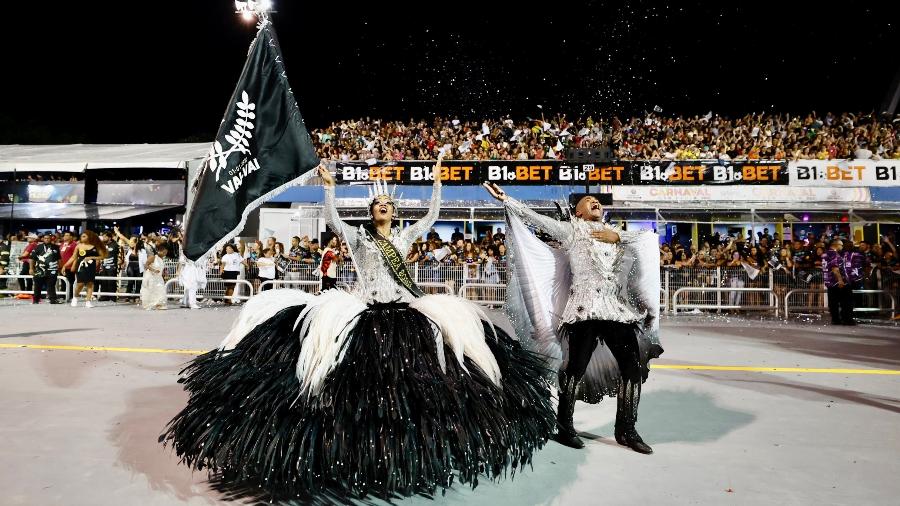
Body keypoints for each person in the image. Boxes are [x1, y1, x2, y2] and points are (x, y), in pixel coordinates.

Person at [161, 158, 554, 499]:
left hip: (404, 310)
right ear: (371, 211)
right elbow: (333, 219)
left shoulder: (405, 236)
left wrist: (436, 181)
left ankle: (409, 448)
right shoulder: (360, 236)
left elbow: (432, 216)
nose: (382, 205)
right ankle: (348, 450)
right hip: (362, 309)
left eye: (387, 203)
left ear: (394, 213)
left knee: (415, 380)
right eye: (377, 203)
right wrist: (330, 191)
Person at [485, 182, 662, 454]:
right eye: (588, 200)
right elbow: (534, 218)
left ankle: (626, 429)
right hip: (584, 309)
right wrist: (506, 199)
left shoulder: (615, 232)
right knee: (575, 368)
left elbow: (648, 238)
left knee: (632, 366)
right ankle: (564, 426)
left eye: (598, 201)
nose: (596, 202)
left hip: (615, 310)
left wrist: (619, 238)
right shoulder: (570, 230)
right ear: (578, 212)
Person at [64, 231, 107, 308]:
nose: (82, 238)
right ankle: (75, 297)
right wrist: (65, 265)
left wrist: (92, 257)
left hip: (91, 266)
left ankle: (88, 301)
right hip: (81, 266)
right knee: (80, 284)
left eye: (84, 236)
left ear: (89, 237)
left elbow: (102, 256)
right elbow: (73, 257)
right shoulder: (78, 246)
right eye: (81, 236)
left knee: (90, 284)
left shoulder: (95, 246)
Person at [822, 238, 850, 325]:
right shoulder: (833, 253)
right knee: (846, 302)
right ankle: (846, 320)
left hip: (829, 281)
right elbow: (835, 268)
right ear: (836, 245)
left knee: (833, 303)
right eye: (841, 245)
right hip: (836, 282)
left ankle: (835, 319)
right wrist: (840, 280)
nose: (842, 247)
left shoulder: (824, 254)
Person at [29, 233, 61, 304]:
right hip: (40, 270)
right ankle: (36, 300)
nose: (47, 239)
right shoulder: (38, 247)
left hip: (52, 270)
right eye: (45, 238)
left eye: (48, 238)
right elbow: (32, 258)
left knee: (51, 285)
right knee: (37, 285)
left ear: (51, 239)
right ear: (42, 239)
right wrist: (31, 268)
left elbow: (59, 258)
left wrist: (60, 267)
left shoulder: (56, 247)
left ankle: (53, 299)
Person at [140, 243, 168, 310]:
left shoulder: (161, 259)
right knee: (151, 290)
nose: (165, 254)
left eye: (166, 253)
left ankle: (159, 304)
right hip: (151, 277)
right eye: (164, 252)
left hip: (159, 278)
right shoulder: (153, 257)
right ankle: (149, 304)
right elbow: (146, 265)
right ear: (159, 251)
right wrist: (153, 270)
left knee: (160, 290)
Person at [97, 230, 120, 301]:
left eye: (105, 236)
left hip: (112, 266)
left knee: (111, 282)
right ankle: (104, 296)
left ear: (109, 237)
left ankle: (113, 297)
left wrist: (120, 263)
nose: (103, 238)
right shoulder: (102, 245)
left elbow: (120, 255)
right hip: (103, 266)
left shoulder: (115, 245)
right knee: (103, 281)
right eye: (103, 236)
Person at [58, 232, 77, 301]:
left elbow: (76, 257)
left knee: (70, 281)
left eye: (67, 235)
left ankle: (71, 296)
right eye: (64, 235)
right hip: (62, 266)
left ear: (71, 237)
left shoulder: (74, 245)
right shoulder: (62, 244)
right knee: (63, 281)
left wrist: (74, 265)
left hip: (70, 266)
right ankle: (63, 295)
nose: (65, 236)